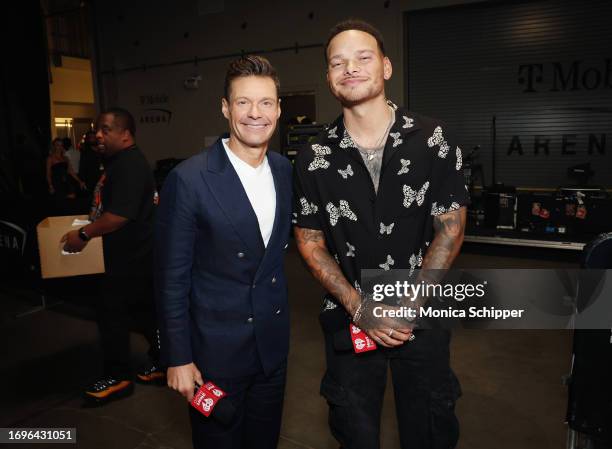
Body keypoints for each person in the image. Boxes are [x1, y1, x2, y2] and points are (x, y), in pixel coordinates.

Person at [293, 19, 468, 449]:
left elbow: (451, 228)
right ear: (329, 77)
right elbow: (309, 240)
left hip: (422, 316)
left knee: (429, 425)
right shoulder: (312, 155)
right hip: (348, 313)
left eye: (362, 57)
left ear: (387, 67)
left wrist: (413, 304)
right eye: (338, 62)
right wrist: (359, 308)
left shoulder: (433, 138)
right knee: (354, 429)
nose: (350, 68)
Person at [155, 55, 292, 449]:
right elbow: (171, 278)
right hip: (213, 357)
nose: (255, 113)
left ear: (278, 110)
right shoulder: (190, 178)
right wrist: (177, 357)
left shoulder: (285, 171)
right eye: (243, 102)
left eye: (266, 102)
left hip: (271, 353)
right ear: (225, 107)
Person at [62, 108, 164, 405]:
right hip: (135, 258)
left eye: (105, 130)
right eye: (97, 130)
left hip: (127, 260)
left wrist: (83, 235)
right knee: (146, 314)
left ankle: (118, 377)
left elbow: (118, 216)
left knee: (112, 318)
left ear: (125, 134)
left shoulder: (129, 165)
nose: (98, 135)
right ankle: (162, 361)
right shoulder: (118, 162)